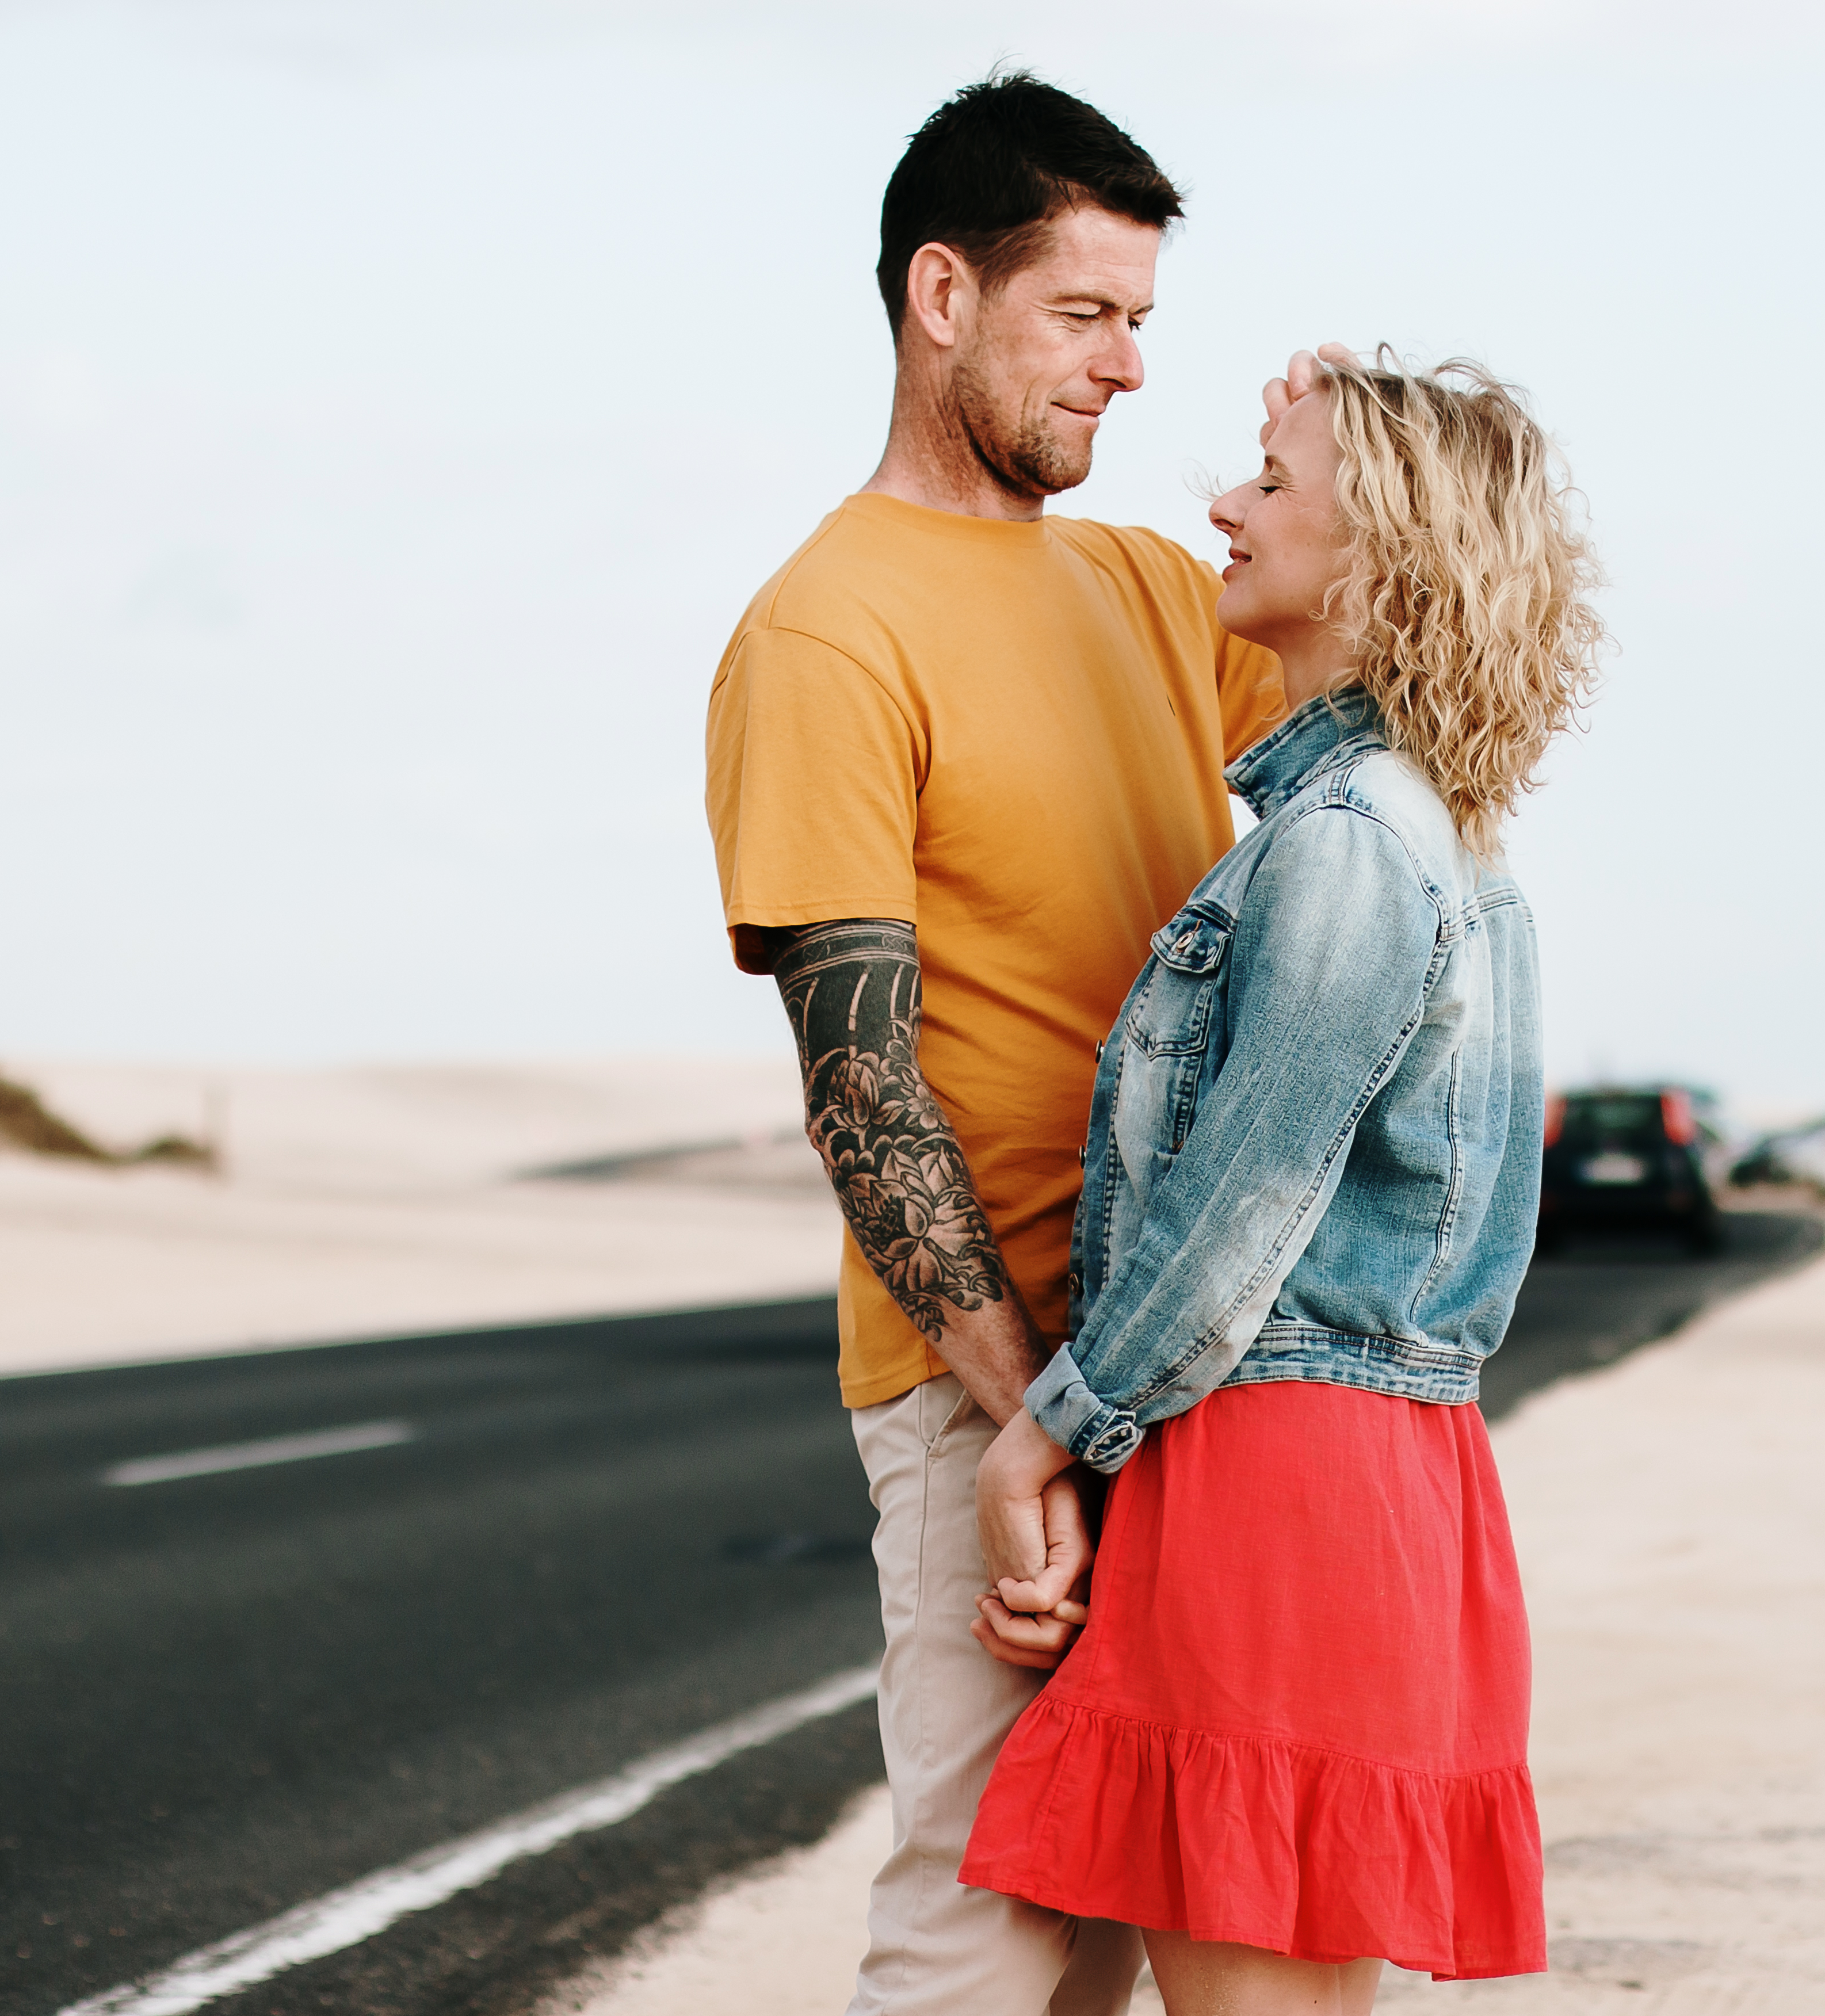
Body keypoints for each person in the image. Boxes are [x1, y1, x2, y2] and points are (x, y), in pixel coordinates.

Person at [700, 72, 1281, 2016]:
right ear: (943, 294)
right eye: (1085, 314)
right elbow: (862, 1093)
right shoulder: (826, 633)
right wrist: (1029, 1418)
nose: (1127, 370)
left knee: (1110, 1927)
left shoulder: (1132, 586)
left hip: (1168, 1361)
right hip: (993, 1382)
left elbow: (1408, 676)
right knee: (985, 1926)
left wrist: (1364, 450)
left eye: (1142, 322)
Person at [961, 348, 1602, 2013]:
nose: (1226, 505)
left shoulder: (1344, 845)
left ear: (1377, 555)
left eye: (1271, 478)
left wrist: (1042, 1437)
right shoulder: (1443, 833)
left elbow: (1237, 1215)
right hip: (1383, 1474)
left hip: (1272, 1472)